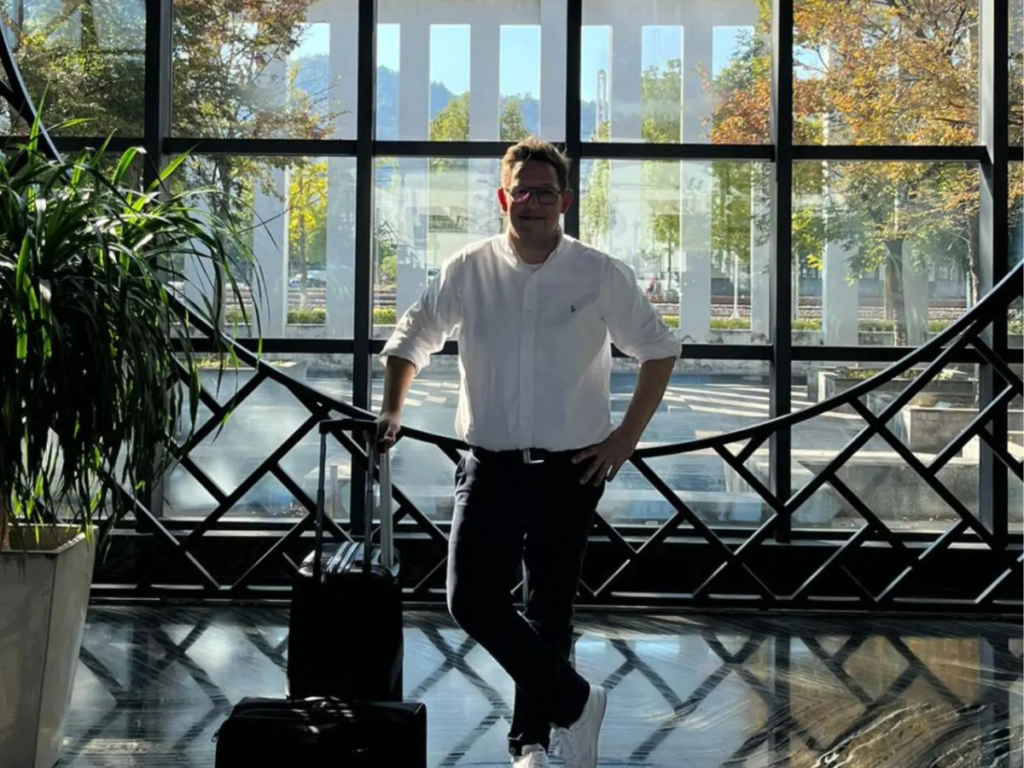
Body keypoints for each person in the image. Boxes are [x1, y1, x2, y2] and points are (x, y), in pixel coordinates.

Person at [376, 138, 678, 768]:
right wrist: (393, 407)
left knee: (549, 612)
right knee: (469, 600)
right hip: (488, 464)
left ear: (564, 201)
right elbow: (413, 336)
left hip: (572, 469)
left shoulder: (597, 272)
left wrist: (625, 437)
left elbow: (658, 348)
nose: (532, 202)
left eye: (545, 192)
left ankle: (534, 742)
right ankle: (576, 701)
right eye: (522, 191)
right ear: (502, 198)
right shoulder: (468, 268)